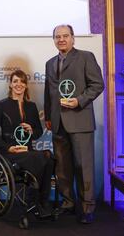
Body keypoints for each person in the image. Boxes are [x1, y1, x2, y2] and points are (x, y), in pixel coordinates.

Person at [44, 24, 104, 224]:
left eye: (65, 36)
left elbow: (97, 84)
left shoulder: (86, 56)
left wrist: (79, 100)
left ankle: (87, 208)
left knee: (83, 166)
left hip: (80, 119)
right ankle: (68, 203)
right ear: (54, 40)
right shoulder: (50, 62)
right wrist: (50, 118)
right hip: (58, 122)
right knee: (62, 167)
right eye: (57, 36)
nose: (61, 39)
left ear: (73, 38)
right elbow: (49, 93)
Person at [0, 70, 54, 219]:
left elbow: (37, 133)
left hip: (27, 150)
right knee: (38, 158)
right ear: (11, 84)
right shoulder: (0, 105)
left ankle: (42, 203)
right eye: (16, 81)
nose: (19, 84)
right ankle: (34, 204)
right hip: (9, 151)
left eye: (22, 82)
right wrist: (7, 147)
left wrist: (32, 130)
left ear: (26, 85)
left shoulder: (31, 106)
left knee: (49, 159)